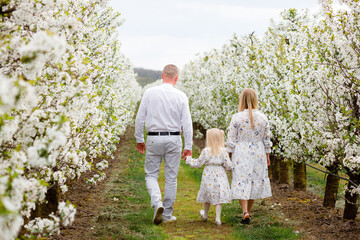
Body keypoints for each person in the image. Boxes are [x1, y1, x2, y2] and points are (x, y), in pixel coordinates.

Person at [134, 64, 193, 225]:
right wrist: (189, 145)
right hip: (174, 139)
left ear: (162, 76)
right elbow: (187, 123)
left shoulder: (149, 93)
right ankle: (166, 214)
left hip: (154, 138)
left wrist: (139, 139)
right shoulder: (181, 96)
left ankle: (156, 202)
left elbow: (140, 118)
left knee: (151, 175)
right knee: (171, 177)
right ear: (176, 78)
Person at [226, 88, 272, 224]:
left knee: (242, 179)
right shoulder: (263, 117)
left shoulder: (237, 117)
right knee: (254, 180)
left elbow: (231, 139)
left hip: (242, 151)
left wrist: (227, 155)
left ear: (242, 100)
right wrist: (268, 155)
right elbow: (267, 138)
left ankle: (245, 211)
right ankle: (249, 212)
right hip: (258, 151)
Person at [185, 128, 232, 226]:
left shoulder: (206, 151)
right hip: (220, 173)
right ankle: (218, 218)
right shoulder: (224, 151)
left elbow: (198, 163)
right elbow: (228, 166)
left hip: (208, 174)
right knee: (218, 196)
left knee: (208, 195)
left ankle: (205, 215)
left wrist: (189, 159)